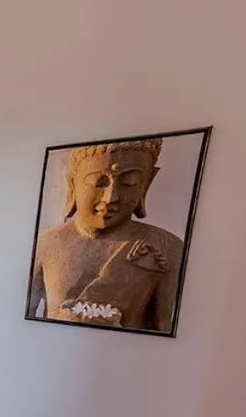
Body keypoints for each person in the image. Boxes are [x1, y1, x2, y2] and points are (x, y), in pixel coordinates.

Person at [28, 138, 183, 331]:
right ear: (72, 183)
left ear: (147, 183)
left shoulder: (166, 248)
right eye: (98, 182)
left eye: (129, 182)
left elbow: (168, 329)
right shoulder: (46, 243)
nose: (111, 197)